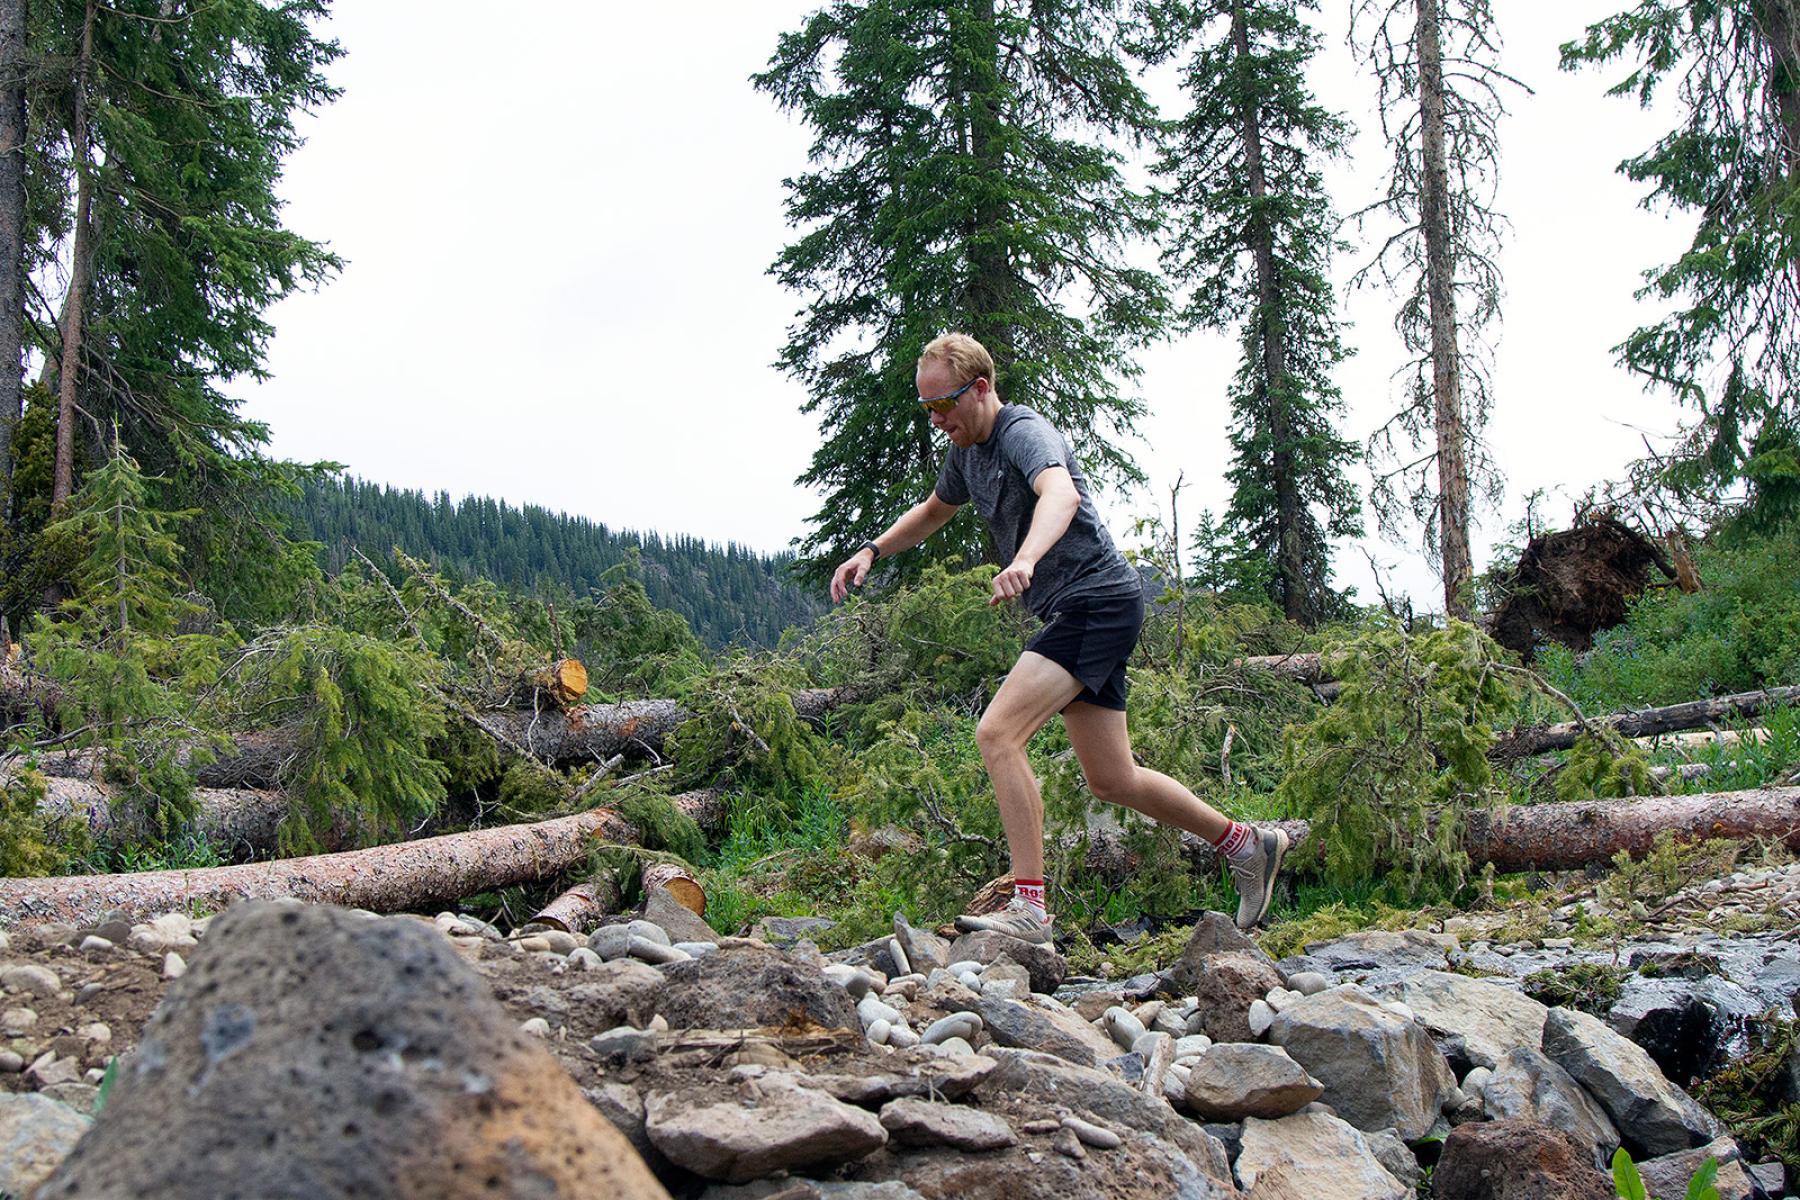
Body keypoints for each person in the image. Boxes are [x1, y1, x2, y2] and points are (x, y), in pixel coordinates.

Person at [828, 332, 1290, 943]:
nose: (936, 419)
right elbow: (936, 510)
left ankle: (1031, 911)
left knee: (997, 734)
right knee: (1113, 779)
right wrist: (872, 549)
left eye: (943, 405)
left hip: (1094, 602)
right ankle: (1248, 845)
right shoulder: (966, 452)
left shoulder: (1023, 433)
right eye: (926, 409)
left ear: (982, 388)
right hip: (1083, 608)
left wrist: (1026, 558)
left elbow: (1061, 493)